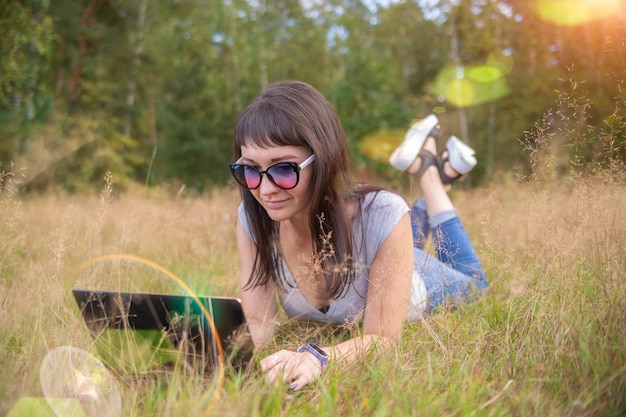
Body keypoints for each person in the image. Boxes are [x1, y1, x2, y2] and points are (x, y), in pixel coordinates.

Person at [229, 80, 488, 391]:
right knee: (392, 223)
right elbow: (258, 322)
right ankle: (439, 174)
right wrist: (211, 351)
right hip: (379, 247)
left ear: (322, 159)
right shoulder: (253, 219)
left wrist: (318, 357)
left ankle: (431, 177)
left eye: (284, 169)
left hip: (418, 278)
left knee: (476, 283)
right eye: (250, 170)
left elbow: (383, 339)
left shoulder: (381, 213)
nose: (265, 189)